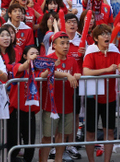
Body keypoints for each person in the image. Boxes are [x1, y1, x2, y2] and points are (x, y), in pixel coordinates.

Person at [82, 24, 120, 162]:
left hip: (109, 98)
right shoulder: (91, 50)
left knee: (109, 131)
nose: (107, 36)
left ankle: (107, 161)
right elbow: (86, 71)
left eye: (108, 33)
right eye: (103, 34)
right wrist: (106, 70)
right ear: (95, 38)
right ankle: (91, 161)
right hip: (92, 97)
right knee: (90, 132)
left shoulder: (114, 49)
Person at [39, 32, 81, 162]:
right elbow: (42, 75)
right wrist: (67, 75)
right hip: (51, 105)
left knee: (62, 135)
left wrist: (77, 75)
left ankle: (58, 159)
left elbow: (77, 72)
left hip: (67, 104)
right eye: (62, 43)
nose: (66, 46)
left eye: (67, 43)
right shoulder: (48, 58)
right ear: (54, 45)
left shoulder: (72, 60)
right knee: (47, 136)